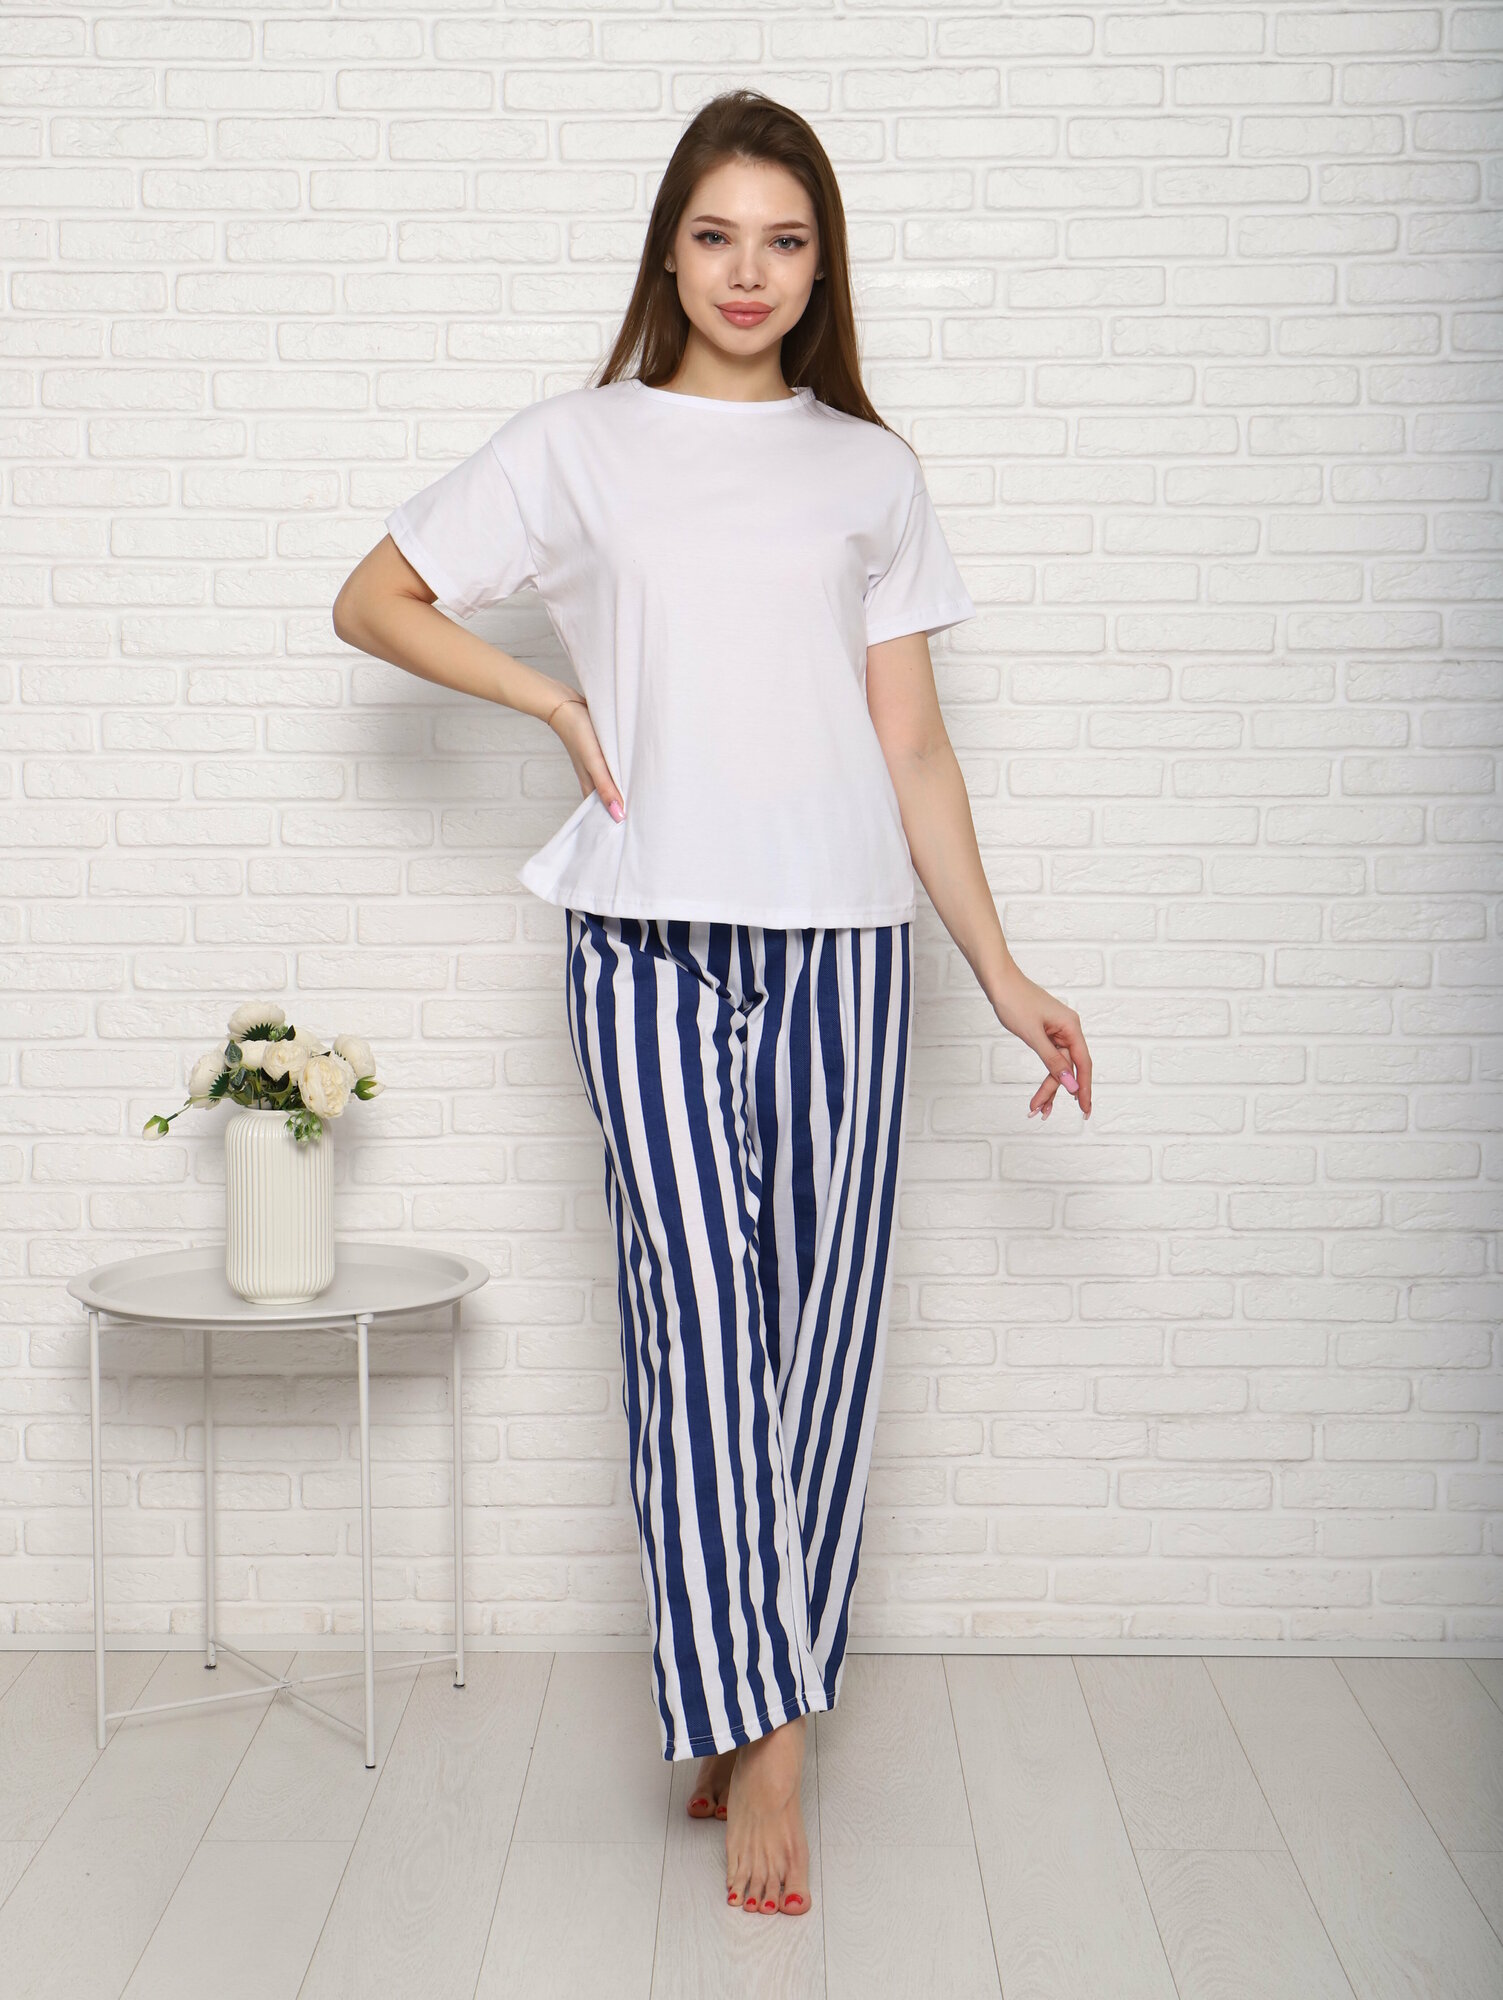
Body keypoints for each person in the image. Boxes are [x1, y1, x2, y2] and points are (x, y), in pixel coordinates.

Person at [333, 87, 1093, 1925]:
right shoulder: (578, 444)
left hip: (846, 948)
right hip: (643, 943)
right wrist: (548, 701)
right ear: (668, 252)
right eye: (717, 235)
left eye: (787, 240)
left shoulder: (869, 472)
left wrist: (1000, 970)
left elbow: (913, 747)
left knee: (821, 1338)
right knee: (694, 1324)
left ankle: (751, 1686)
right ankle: (772, 1735)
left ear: (822, 266)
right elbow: (375, 599)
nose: (750, 272)